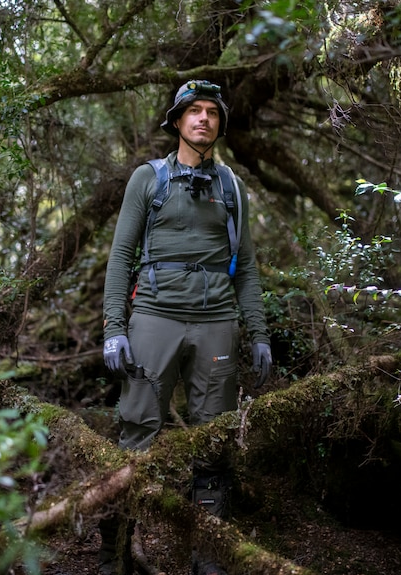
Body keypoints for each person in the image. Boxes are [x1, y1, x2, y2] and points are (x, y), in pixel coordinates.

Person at [100, 80, 273, 575]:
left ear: (219, 123)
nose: (203, 119)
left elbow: (249, 268)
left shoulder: (232, 188)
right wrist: (115, 327)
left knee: (214, 441)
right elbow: (120, 258)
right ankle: (114, 556)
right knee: (136, 431)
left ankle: (208, 559)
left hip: (217, 322)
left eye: (211, 113)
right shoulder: (147, 179)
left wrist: (258, 333)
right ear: (177, 122)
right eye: (193, 111)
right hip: (154, 316)